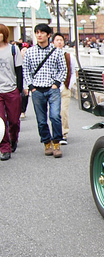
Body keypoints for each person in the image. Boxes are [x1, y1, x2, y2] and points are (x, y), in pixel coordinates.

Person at [23, 23, 67, 158]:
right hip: (37, 89)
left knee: (55, 116)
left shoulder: (57, 51)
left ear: (49, 35)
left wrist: (56, 83)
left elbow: (63, 69)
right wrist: (31, 87)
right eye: (37, 32)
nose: (39, 35)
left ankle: (56, 143)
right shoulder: (30, 52)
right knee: (41, 120)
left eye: (42, 32)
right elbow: (26, 70)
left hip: (52, 88)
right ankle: (46, 142)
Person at [0, 24, 23, 160]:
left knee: (14, 120)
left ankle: (13, 138)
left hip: (11, 88)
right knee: (1, 121)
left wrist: (19, 89)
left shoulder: (13, 49)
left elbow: (19, 70)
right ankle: (4, 147)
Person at [52, 33, 73, 144]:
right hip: (52, 87)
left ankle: (64, 133)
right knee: (54, 112)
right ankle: (55, 132)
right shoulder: (49, 55)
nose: (59, 42)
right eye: (57, 40)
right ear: (53, 42)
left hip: (64, 87)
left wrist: (69, 85)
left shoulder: (68, 56)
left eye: (61, 40)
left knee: (63, 111)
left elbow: (74, 71)